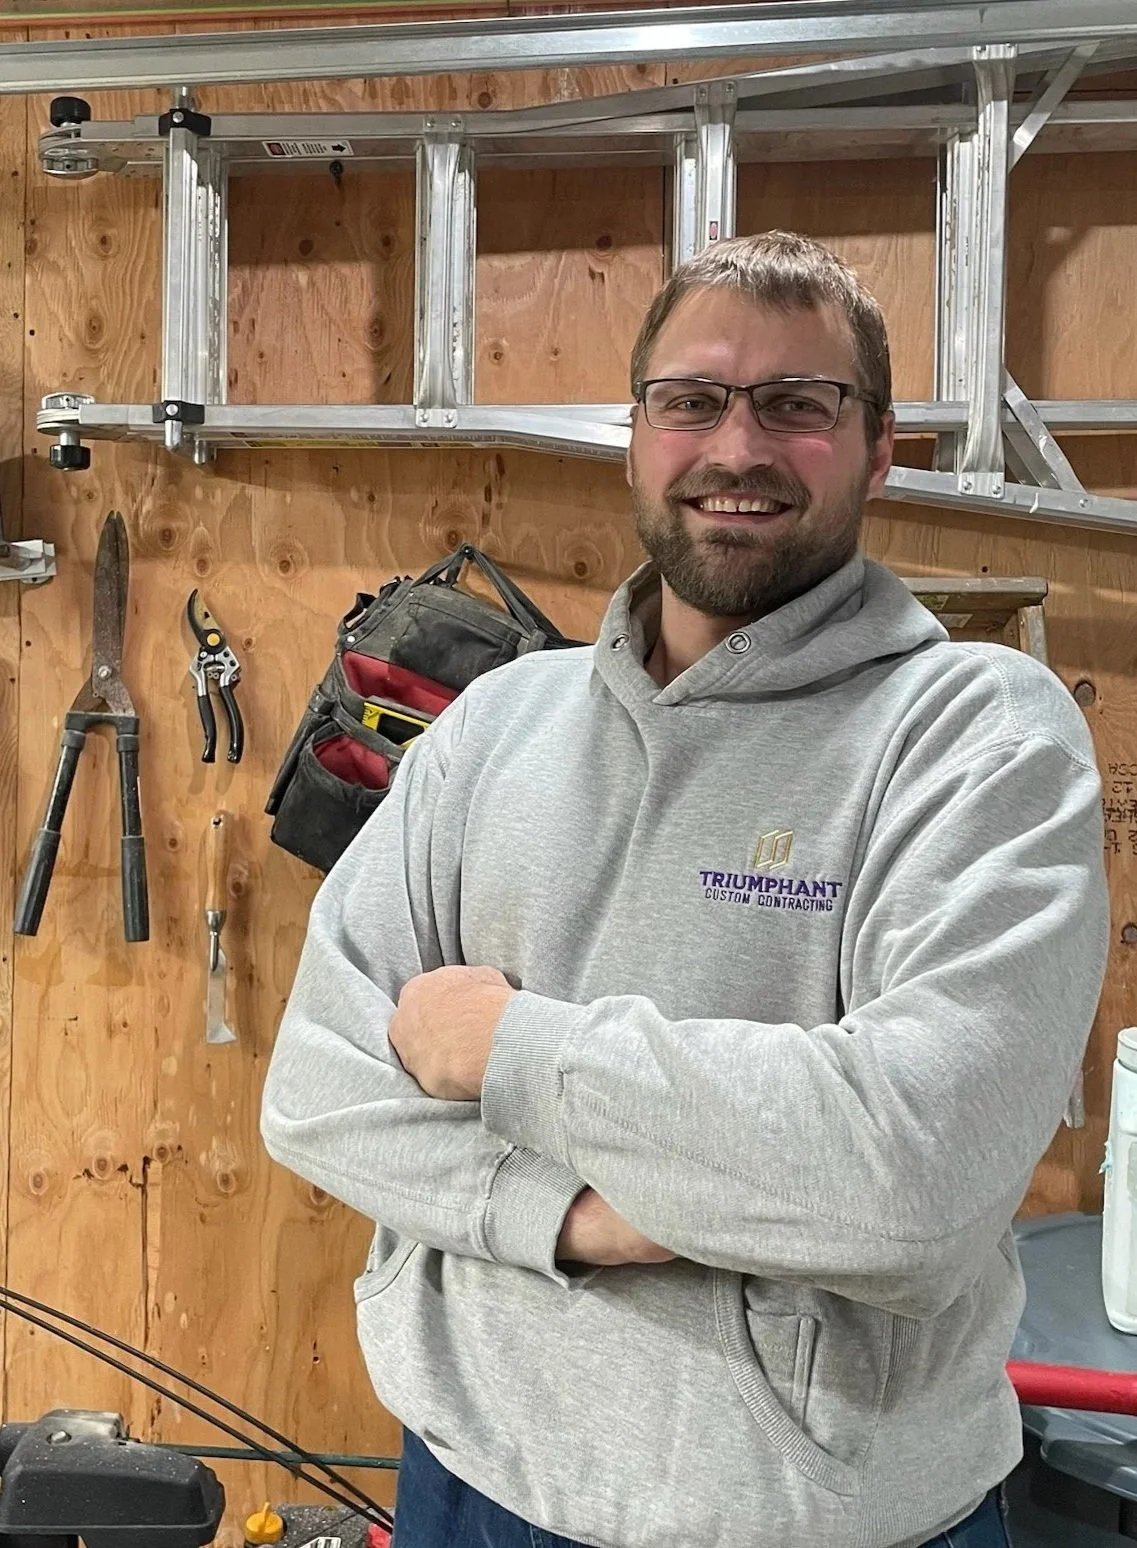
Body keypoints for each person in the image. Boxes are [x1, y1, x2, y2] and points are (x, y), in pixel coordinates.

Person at [261, 230, 1109, 1548]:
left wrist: (510, 1048)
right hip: (465, 1471)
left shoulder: (977, 733)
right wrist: (574, 1217)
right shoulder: (498, 725)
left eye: (797, 405)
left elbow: (909, 1180)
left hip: (812, 1517)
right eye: (692, 401)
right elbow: (319, 1081)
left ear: (879, 447)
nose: (736, 447)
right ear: (638, 434)